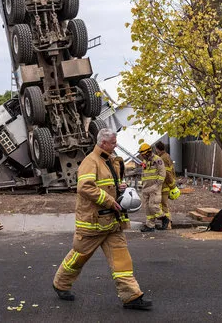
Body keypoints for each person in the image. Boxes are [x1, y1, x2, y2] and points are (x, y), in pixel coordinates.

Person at [52, 128, 152, 310]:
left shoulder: (110, 161)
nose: (116, 145)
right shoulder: (90, 162)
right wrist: (108, 201)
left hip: (112, 224)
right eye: (113, 142)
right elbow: (85, 187)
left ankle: (132, 297)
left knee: (123, 261)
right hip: (93, 225)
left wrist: (120, 187)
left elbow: (107, 185)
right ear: (103, 143)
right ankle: (60, 284)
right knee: (78, 257)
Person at [138, 143, 167, 232]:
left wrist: (157, 185)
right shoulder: (145, 161)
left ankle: (164, 218)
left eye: (143, 154)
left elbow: (162, 174)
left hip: (154, 188)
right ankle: (150, 226)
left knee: (153, 206)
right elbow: (145, 174)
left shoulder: (157, 160)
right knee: (147, 208)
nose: (142, 156)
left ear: (147, 152)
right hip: (146, 188)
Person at [155, 141, 177, 230]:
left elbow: (167, 173)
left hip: (164, 186)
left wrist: (172, 185)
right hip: (165, 185)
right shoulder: (166, 156)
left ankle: (168, 224)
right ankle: (167, 222)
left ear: (157, 149)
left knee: (164, 205)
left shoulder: (163, 158)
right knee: (163, 205)